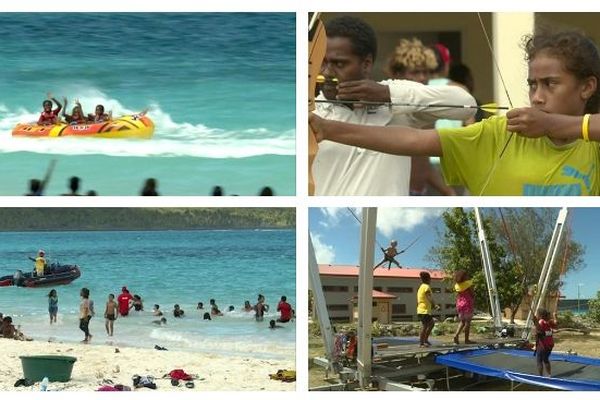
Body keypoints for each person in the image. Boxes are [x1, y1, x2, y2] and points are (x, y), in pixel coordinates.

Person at [311, 29, 600, 196]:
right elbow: (415, 141)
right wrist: (327, 128)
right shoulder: (500, 132)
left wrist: (558, 125)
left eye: (550, 84)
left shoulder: (592, 145)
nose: (537, 97)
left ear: (587, 87)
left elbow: (462, 101)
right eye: (532, 85)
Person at [312, 16, 476, 196]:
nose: (326, 72)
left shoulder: (393, 96)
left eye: (339, 63)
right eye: (323, 63)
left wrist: (387, 94)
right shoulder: (311, 112)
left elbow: (466, 105)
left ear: (366, 64)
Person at [384, 38, 457, 196]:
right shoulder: (387, 111)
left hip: (420, 192)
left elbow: (422, 161)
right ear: (398, 74)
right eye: (416, 72)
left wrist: (448, 192)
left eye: (426, 72)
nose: (423, 77)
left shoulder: (426, 111)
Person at [532, 308, 558, 376]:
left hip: (543, 345)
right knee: (546, 359)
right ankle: (549, 375)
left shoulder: (541, 322)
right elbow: (556, 324)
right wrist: (555, 316)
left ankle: (541, 377)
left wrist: (535, 323)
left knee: (539, 361)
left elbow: (539, 330)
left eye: (537, 314)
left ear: (540, 315)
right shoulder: (549, 322)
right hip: (550, 344)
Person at [453, 270, 475, 345]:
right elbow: (472, 293)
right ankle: (466, 340)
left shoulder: (456, 285)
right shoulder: (468, 283)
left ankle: (456, 335)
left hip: (460, 304)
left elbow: (458, 294)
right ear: (464, 276)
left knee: (462, 322)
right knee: (468, 322)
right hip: (467, 303)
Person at [417, 271, 438, 347]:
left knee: (431, 324)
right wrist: (435, 305)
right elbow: (428, 296)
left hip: (422, 310)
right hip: (424, 311)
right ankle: (421, 343)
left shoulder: (421, 287)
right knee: (425, 326)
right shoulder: (426, 286)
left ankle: (425, 340)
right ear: (428, 279)